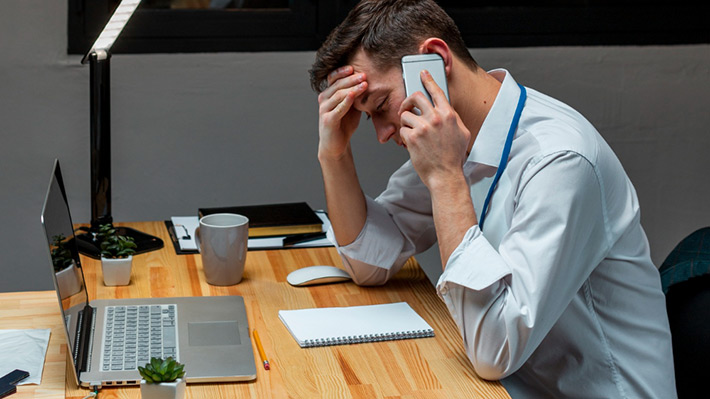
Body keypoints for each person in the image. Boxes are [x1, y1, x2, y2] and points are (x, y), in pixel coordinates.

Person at [309, 0, 677, 398]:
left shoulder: (558, 161)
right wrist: (335, 155)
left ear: (433, 61)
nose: (381, 133)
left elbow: (494, 350)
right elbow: (369, 261)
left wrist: (447, 178)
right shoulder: (456, 140)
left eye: (381, 106)